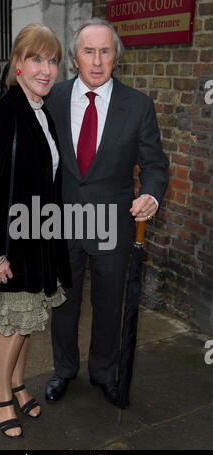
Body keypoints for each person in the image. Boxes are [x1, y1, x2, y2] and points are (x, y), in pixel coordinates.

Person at [45, 18, 169, 404]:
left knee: (109, 304)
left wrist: (151, 194)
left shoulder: (138, 105)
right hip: (62, 220)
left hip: (112, 223)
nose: (97, 61)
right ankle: (64, 370)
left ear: (117, 57)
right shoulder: (53, 98)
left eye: (105, 51)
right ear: (74, 58)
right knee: (63, 304)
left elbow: (154, 164)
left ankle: (103, 371)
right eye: (88, 51)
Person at [0, 24, 71, 438]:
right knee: (12, 327)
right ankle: (2, 394)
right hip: (12, 248)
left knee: (27, 324)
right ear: (18, 64)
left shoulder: (40, 113)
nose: (46, 69)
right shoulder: (1, 117)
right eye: (36, 59)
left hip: (40, 244)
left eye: (53, 60)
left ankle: (20, 384)